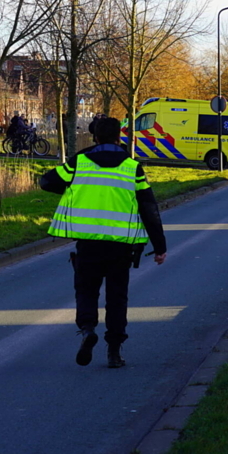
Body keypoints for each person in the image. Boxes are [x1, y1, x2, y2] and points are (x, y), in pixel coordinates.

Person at [39, 116, 167, 369]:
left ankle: (88, 329)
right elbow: (149, 208)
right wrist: (160, 247)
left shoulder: (80, 162)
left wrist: (75, 186)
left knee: (86, 291)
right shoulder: (132, 167)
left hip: (88, 244)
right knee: (117, 298)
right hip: (121, 246)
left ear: (95, 137)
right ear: (119, 137)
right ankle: (114, 352)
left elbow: (47, 181)